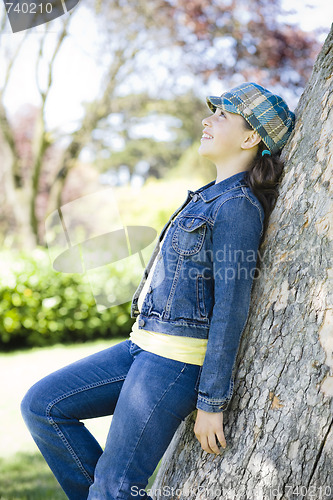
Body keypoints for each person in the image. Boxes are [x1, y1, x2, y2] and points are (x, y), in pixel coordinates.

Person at [21, 82, 295, 500]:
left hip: (175, 363)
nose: (207, 119)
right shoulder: (206, 198)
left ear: (250, 136)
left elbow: (232, 308)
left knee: (115, 487)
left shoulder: (237, 206)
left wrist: (211, 402)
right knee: (43, 406)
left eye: (222, 115)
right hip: (142, 348)